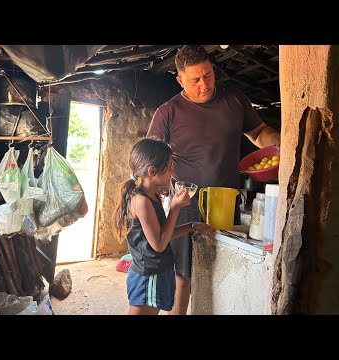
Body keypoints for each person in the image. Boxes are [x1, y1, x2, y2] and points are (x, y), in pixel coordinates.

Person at [147, 45, 281, 315]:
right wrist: (155, 193)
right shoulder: (168, 112)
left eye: (208, 75)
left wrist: (284, 144)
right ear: (180, 80)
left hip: (225, 199)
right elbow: (150, 159)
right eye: (195, 80)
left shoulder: (234, 100)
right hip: (186, 206)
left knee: (225, 264)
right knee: (184, 275)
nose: (204, 85)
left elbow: (258, 133)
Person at [113, 138, 214, 315]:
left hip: (158, 272)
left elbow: (163, 234)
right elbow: (158, 244)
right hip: (148, 276)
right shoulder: (141, 201)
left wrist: (191, 226)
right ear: (152, 171)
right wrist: (175, 207)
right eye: (169, 167)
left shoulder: (152, 195)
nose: (172, 172)